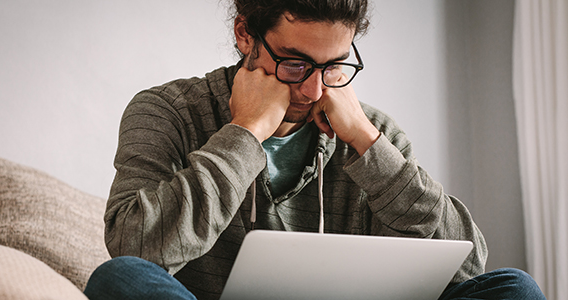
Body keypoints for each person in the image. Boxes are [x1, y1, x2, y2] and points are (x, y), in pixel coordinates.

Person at [84, 0, 546, 299]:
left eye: (334, 65)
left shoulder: (372, 133)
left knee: (515, 289)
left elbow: (468, 267)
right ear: (245, 34)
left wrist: (368, 144)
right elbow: (135, 249)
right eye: (294, 63)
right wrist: (245, 133)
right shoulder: (167, 111)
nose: (312, 88)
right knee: (120, 279)